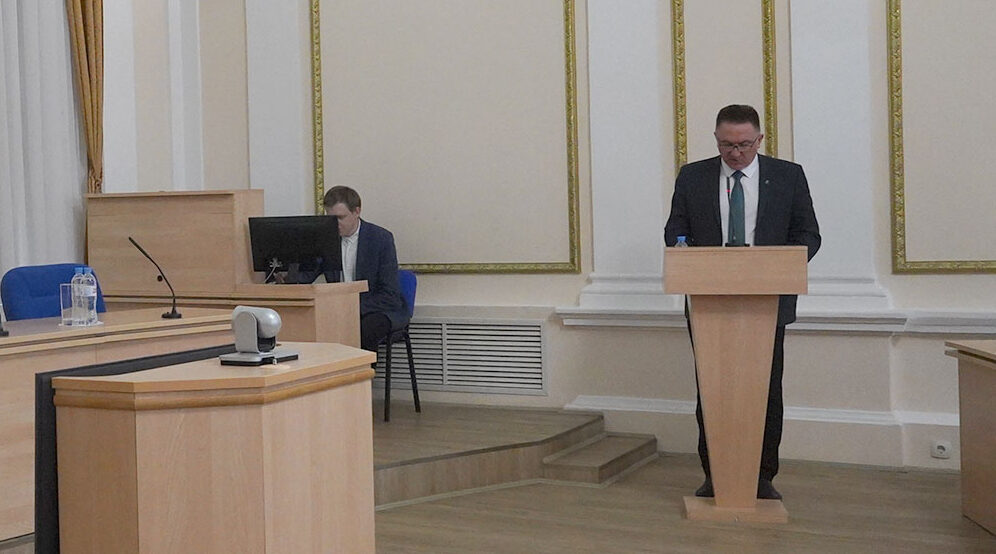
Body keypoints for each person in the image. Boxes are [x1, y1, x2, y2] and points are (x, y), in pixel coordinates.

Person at [663, 104, 820, 500]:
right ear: (717, 140)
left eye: (744, 145)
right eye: (726, 145)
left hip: (766, 304)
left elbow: (808, 235)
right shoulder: (693, 176)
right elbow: (675, 230)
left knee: (766, 392)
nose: (735, 153)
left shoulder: (787, 176)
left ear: (759, 139)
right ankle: (715, 475)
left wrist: (775, 266)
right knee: (711, 391)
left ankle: (762, 476)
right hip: (709, 305)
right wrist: (686, 253)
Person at [301, 185, 408, 352]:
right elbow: (306, 275)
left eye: (340, 218)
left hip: (376, 309)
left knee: (365, 328)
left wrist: (350, 307)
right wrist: (286, 273)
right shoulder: (325, 239)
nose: (335, 224)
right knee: (309, 324)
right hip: (340, 308)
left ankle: (364, 369)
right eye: (330, 218)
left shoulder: (380, 239)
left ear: (357, 211)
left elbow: (389, 295)